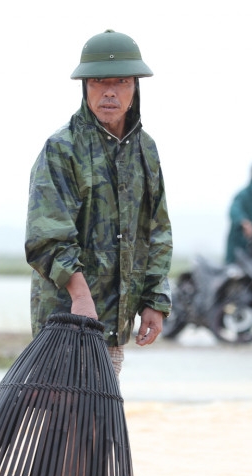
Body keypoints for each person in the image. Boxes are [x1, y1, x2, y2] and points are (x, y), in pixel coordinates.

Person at [25, 29, 173, 376]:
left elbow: (157, 230)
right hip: (65, 319)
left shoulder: (145, 151)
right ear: (84, 87)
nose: (109, 92)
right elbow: (46, 237)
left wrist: (154, 301)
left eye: (121, 81)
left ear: (135, 88)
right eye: (97, 82)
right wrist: (79, 295)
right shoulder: (62, 148)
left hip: (114, 323)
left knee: (98, 422)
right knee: (64, 416)